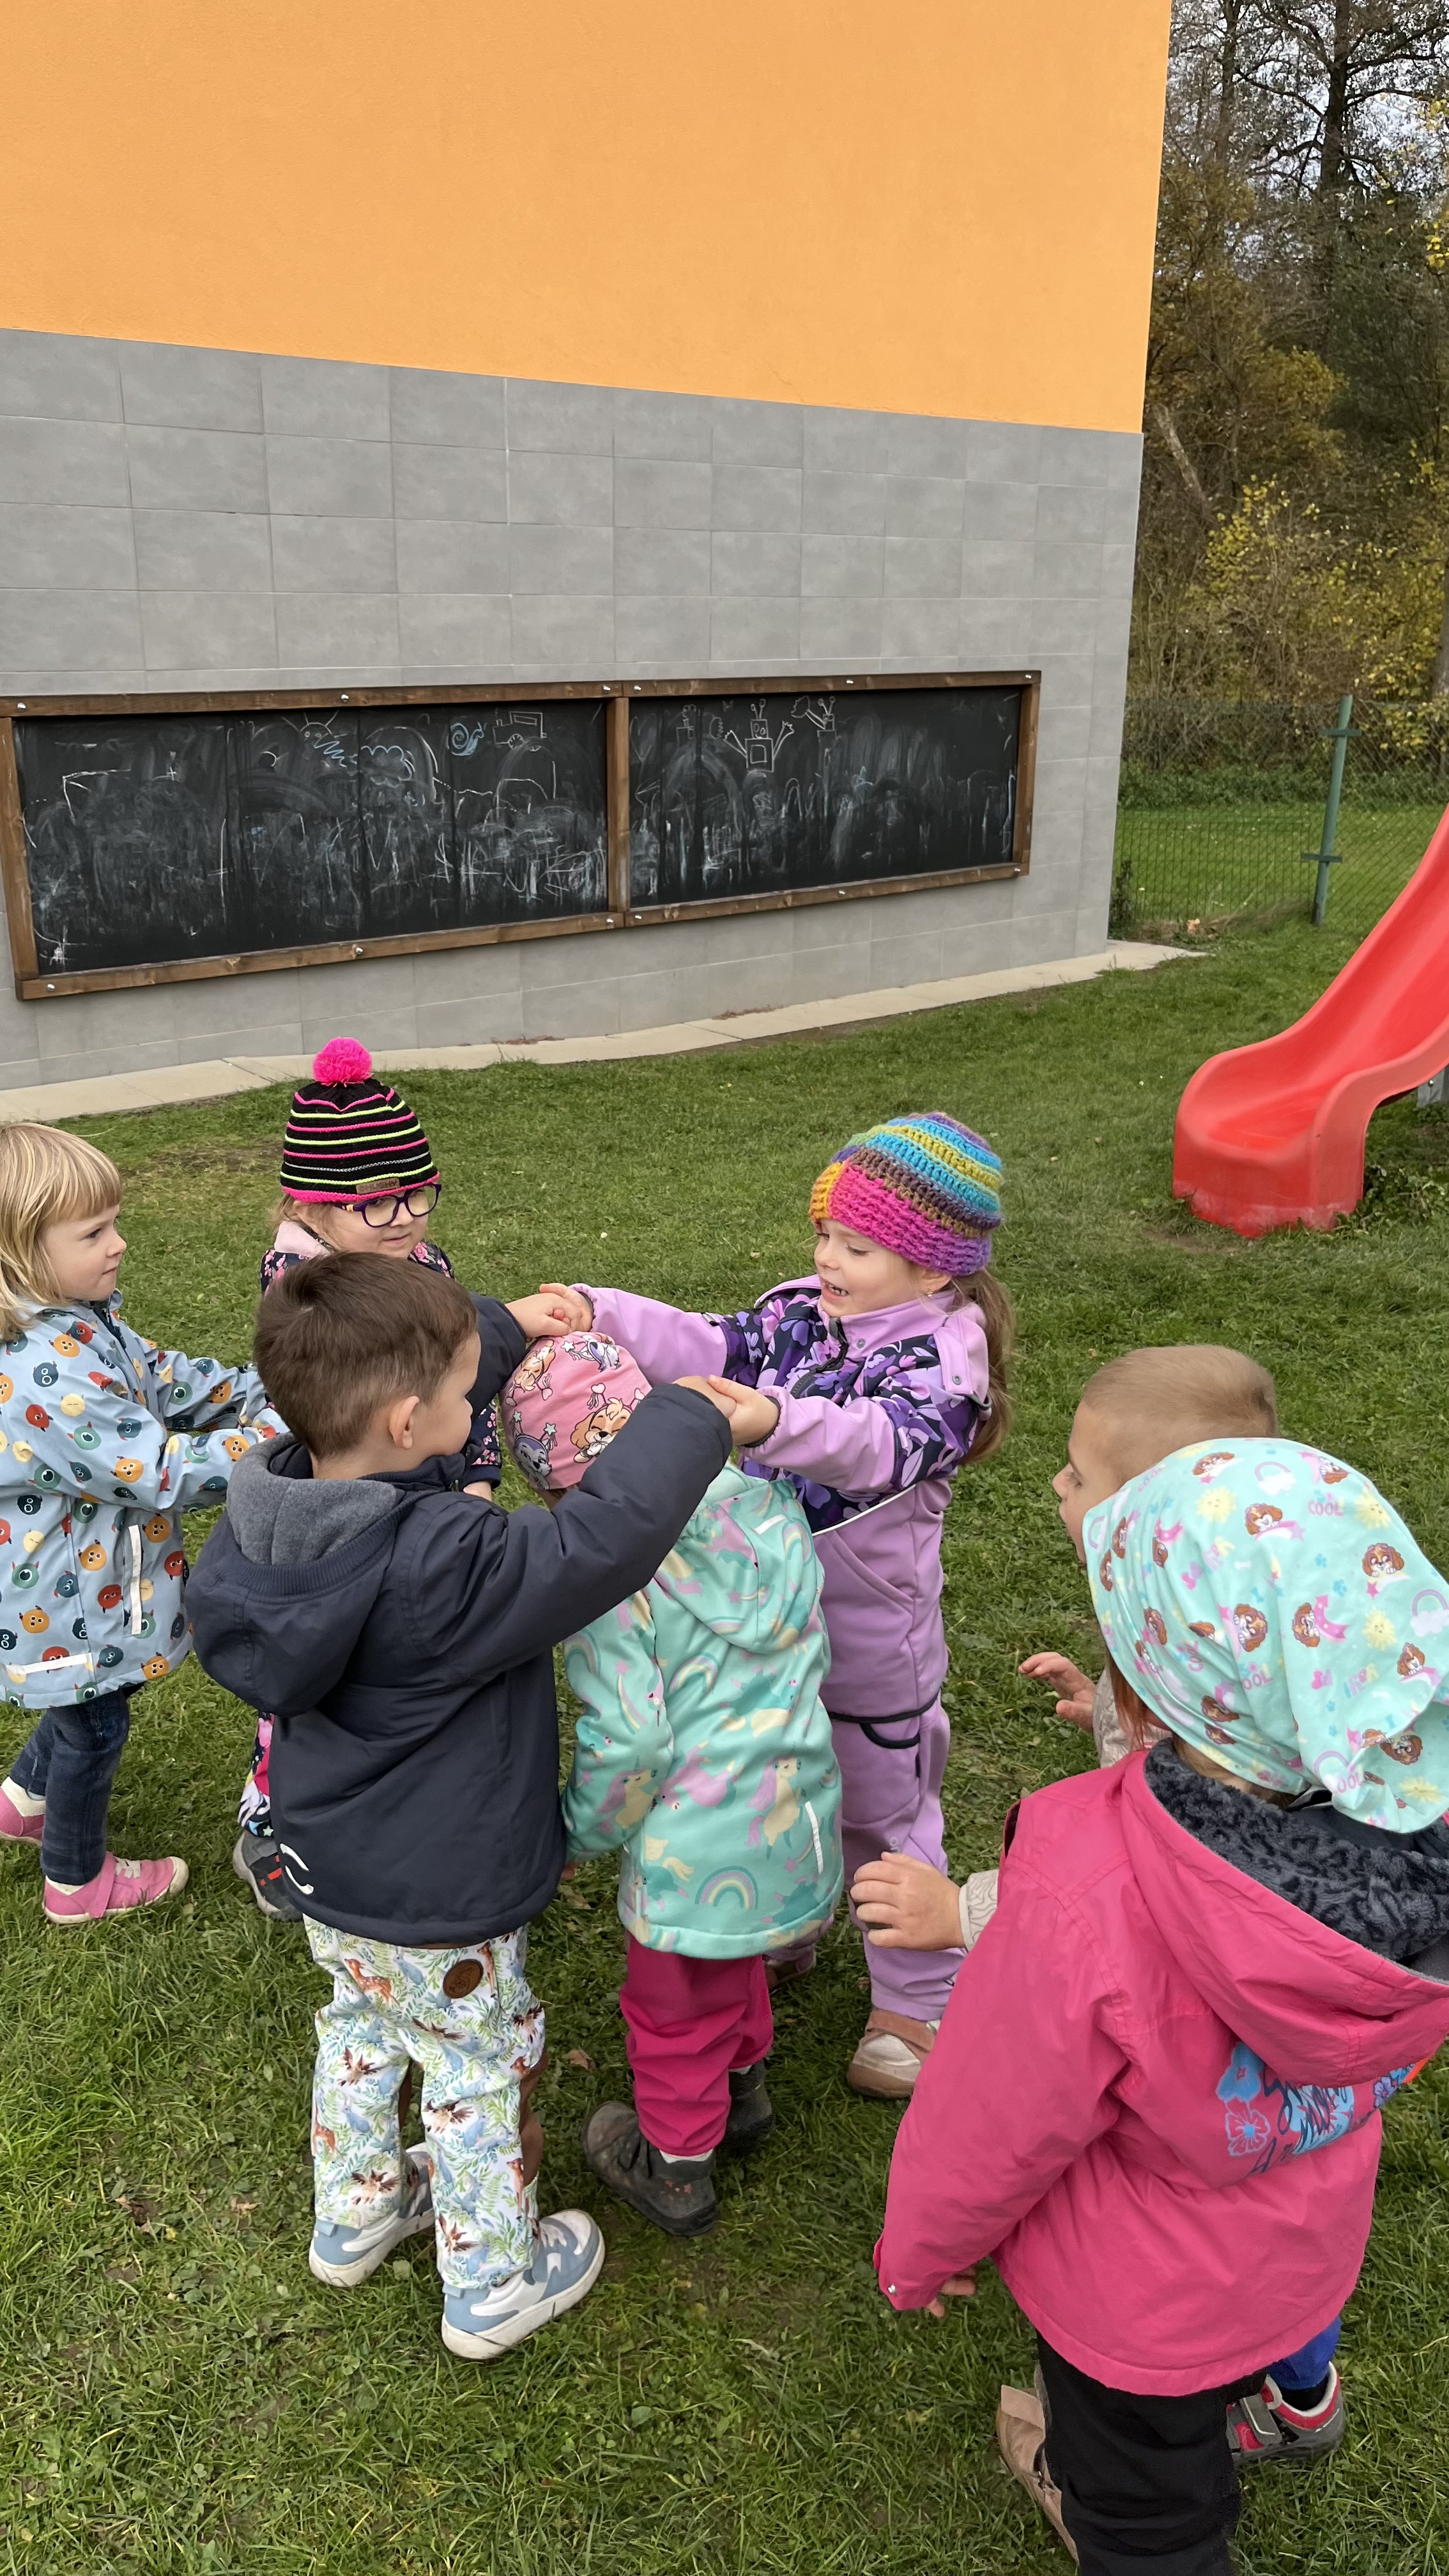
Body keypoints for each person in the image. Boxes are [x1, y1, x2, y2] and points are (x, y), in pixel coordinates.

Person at [875, 1428, 1449, 2575]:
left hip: (1135, 2305)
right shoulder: (1418, 1847)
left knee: (1146, 2521)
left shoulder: (1084, 1878)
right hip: (1301, 2243)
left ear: (1151, 1672)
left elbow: (994, 2114)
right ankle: (1275, 2403)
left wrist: (919, 2252)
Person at [186, 1253, 735, 2363]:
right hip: (443, 1894)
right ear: (407, 1421)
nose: (470, 1398)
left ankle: (355, 2212)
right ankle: (491, 2280)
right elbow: (592, 1546)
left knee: (358, 2025)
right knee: (474, 2063)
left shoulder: (271, 1504)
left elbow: (390, 1372)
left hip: (329, 1867)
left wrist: (501, 1325)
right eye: (459, 1385)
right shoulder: (443, 1561)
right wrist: (685, 1418)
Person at [537, 1110, 1009, 2098]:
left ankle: (917, 1999)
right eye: (825, 1234)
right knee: (776, 1776)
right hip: (768, 1637)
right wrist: (599, 1310)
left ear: (933, 1267)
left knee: (883, 1815)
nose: (827, 1258)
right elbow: (713, 1338)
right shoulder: (804, 1310)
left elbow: (876, 1444)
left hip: (868, 1651)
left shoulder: (945, 1362)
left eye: (857, 1247)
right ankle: (790, 1911)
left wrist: (773, 1421)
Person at [501, 1330, 843, 2237]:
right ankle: (745, 2087)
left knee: (675, 2004)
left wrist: (579, 1831)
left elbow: (633, 1741)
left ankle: (677, 2163)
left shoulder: (613, 1576)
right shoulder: (768, 1509)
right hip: (794, 1811)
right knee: (735, 1957)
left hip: (694, 1845)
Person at [852, 1344, 1277, 1952]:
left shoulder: (1194, 1695)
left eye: (1078, 1476)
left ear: (1143, 1520)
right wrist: (1111, 1710)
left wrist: (962, 1913)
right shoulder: (1214, 1628)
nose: (1057, 1481)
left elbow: (1132, 1873)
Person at [234, 1036, 505, 1920]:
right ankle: (270, 1818)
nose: (403, 1219)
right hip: (342, 1506)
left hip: (429, 1485)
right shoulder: (308, 1290)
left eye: (418, 1193)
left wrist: (477, 1472)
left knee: (407, 1661)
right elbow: (320, 1414)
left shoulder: (425, 1268)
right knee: (317, 1663)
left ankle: (410, 1802)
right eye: (375, 1202)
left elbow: (466, 1377)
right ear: (309, 1206)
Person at [0, 1122, 281, 1922]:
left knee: (80, 1703)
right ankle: (76, 1883)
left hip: (72, 1585)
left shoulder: (78, 1321)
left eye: (114, 1223)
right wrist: (274, 1435)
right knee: (94, 1722)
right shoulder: (43, 1370)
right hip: (67, 1598)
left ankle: (21, 1803)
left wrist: (260, 1389)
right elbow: (156, 1471)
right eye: (93, 1233)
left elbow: (162, 1379)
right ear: (19, 1253)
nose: (119, 1244)